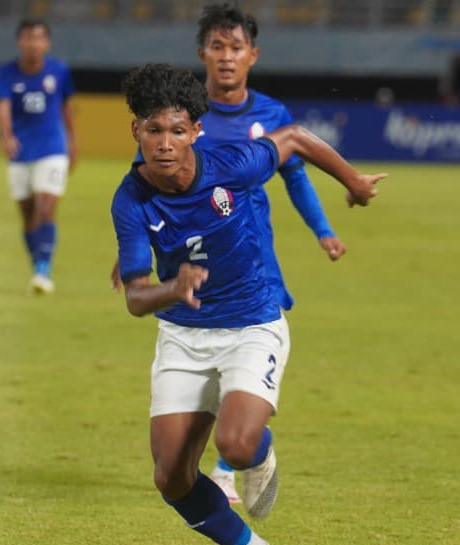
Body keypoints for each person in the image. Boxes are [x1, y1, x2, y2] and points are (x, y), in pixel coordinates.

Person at [111, 63, 385, 545]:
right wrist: (173, 288)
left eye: (176, 130)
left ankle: (259, 452)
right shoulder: (131, 199)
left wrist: (352, 181)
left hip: (251, 323)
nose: (164, 144)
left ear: (196, 131)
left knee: (235, 446)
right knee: (170, 476)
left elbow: (296, 140)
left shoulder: (232, 163)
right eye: (152, 130)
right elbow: (136, 297)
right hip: (182, 337)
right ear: (136, 131)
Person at [112, 3, 346, 508]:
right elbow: (145, 188)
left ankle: (238, 456)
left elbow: (296, 171)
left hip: (249, 250)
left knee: (245, 345)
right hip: (188, 261)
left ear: (251, 56)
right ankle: (235, 456)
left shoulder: (269, 117)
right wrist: (132, 252)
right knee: (207, 360)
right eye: (216, 46)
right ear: (203, 54)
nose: (225, 56)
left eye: (234, 47)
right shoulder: (178, 115)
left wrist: (323, 229)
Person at [0, 18, 77, 295]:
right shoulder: (5, 73)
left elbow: (67, 108)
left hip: (53, 148)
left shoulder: (60, 71)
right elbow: (2, 107)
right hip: (20, 152)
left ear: (47, 43)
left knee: (45, 207)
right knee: (27, 215)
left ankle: (43, 270)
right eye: (29, 38)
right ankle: (38, 262)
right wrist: (7, 136)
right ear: (20, 42)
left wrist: (72, 142)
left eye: (39, 38)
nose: (33, 44)